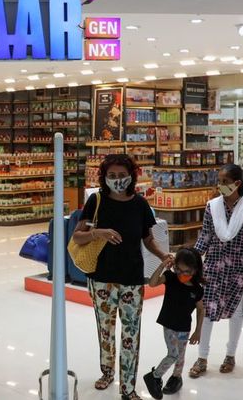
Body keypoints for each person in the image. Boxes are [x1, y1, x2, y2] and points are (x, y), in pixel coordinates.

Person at [72, 154, 173, 400]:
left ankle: (128, 388)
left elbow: (147, 238)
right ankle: (107, 372)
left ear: (132, 176)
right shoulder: (96, 201)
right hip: (101, 278)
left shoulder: (139, 204)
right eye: (112, 176)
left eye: (122, 175)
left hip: (132, 279)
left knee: (131, 334)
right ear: (105, 178)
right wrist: (98, 233)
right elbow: (78, 236)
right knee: (105, 330)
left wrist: (162, 254)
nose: (117, 180)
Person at [188, 164, 243, 378]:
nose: (219, 185)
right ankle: (202, 358)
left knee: (236, 313)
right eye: (219, 181)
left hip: (239, 269)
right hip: (213, 267)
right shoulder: (212, 206)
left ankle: (230, 355)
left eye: (224, 181)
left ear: (237, 184)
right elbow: (205, 238)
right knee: (208, 310)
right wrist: (190, 261)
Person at [143, 248, 205, 399]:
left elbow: (201, 310)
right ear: (174, 266)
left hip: (184, 327)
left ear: (195, 270)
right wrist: (162, 265)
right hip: (169, 325)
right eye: (179, 270)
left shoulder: (197, 289)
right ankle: (154, 376)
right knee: (173, 354)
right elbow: (152, 283)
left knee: (181, 356)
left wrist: (198, 331)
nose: (182, 275)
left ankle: (176, 378)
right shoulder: (170, 278)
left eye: (187, 272)